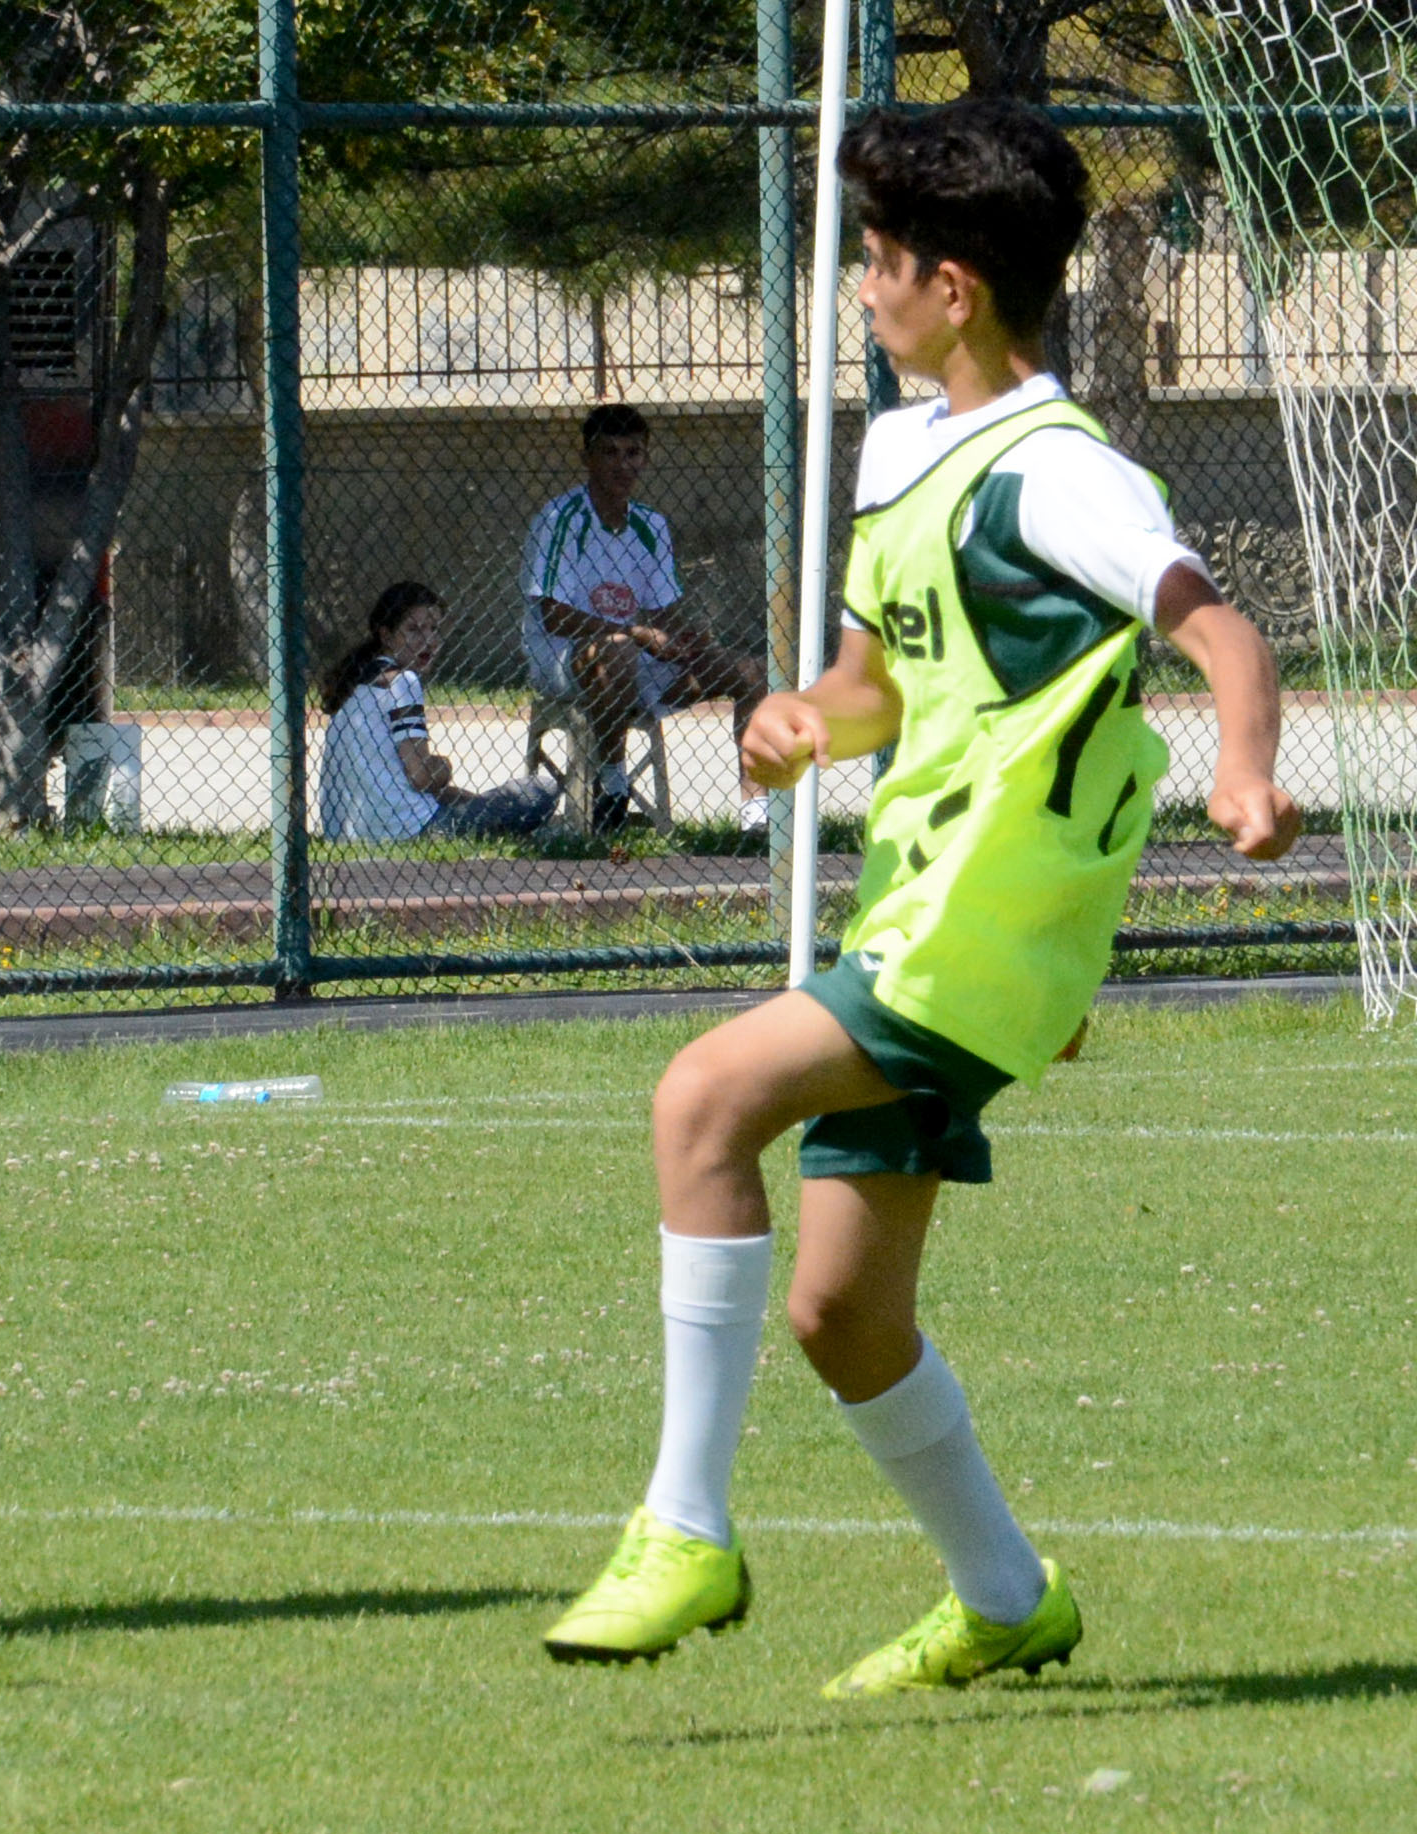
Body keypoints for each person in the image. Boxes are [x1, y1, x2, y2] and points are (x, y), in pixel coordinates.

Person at [538, 99, 1301, 1695]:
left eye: (878, 263)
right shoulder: (900, 449)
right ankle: (1006, 1594)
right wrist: (804, 718)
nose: (861, 290)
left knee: (699, 1102)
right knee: (840, 1315)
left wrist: (1241, 771)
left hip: (980, 926)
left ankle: (684, 1524)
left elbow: (1218, 630)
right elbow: (876, 680)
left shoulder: (1060, 476)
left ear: (952, 287)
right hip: (916, 900)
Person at [520, 403, 768, 833]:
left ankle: (756, 816)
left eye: (632, 453)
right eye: (610, 453)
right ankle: (612, 789)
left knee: (752, 673)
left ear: (645, 459)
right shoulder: (560, 519)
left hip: (634, 657)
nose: (622, 464)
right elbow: (553, 615)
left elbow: (662, 610)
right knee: (617, 652)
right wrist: (636, 632)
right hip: (561, 657)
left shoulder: (651, 524)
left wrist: (683, 637)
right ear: (587, 458)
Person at [319, 581, 557, 842]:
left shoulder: (354, 685)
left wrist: (468, 798)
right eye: (414, 630)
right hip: (411, 831)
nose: (429, 641)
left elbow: (403, 779)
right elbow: (421, 775)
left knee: (473, 802)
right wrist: (444, 766)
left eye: (433, 629)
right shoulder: (403, 681)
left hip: (347, 835)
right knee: (541, 790)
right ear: (386, 636)